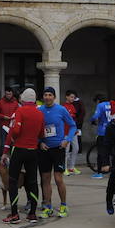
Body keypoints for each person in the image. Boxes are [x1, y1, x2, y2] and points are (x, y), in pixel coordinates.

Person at [0, 87, 44, 224]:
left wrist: (6, 149)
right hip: (33, 150)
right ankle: (32, 214)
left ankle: (14, 214)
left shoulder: (19, 111)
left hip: (19, 149)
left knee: (13, 180)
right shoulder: (40, 113)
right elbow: (42, 134)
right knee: (32, 181)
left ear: (23, 99)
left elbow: (15, 130)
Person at [37, 87, 76, 219]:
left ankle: (63, 205)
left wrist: (67, 139)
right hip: (44, 149)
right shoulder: (39, 110)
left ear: (54, 97)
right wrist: (39, 142)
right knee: (45, 179)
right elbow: (34, 129)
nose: (47, 97)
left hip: (58, 148)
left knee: (58, 178)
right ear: (43, 97)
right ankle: (47, 207)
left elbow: (73, 125)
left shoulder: (61, 109)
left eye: (50, 95)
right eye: (45, 95)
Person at [89, 95, 112, 179]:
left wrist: (92, 121)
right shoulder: (111, 104)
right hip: (112, 130)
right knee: (111, 151)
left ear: (98, 100)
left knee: (101, 152)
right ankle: (110, 169)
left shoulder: (100, 105)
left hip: (102, 131)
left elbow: (95, 116)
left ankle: (99, 172)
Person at [63, 91, 81, 176]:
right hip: (65, 132)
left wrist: (76, 129)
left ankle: (71, 167)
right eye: (71, 97)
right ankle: (64, 168)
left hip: (73, 131)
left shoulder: (73, 106)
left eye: (73, 97)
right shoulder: (63, 107)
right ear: (66, 97)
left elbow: (74, 119)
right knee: (66, 151)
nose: (72, 99)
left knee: (76, 148)